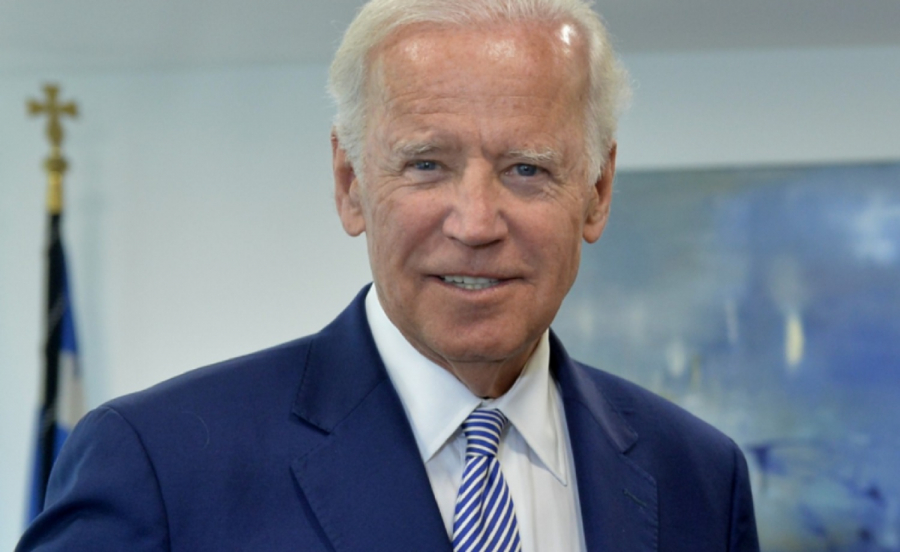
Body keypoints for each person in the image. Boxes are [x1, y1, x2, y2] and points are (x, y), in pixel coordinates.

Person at [18, 0, 759, 550]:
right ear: (351, 184)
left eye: (527, 169)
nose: (476, 223)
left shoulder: (699, 477)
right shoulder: (160, 464)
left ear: (596, 191)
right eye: (427, 164)